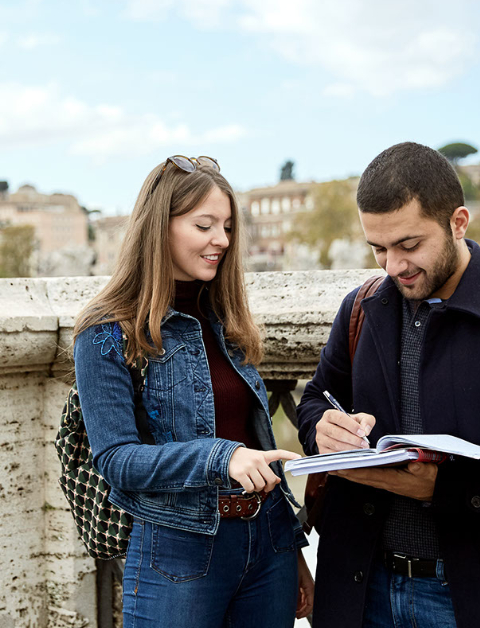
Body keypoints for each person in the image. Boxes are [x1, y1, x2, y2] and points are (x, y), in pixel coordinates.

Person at [297, 142, 480, 627]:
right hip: (359, 589)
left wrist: (443, 487)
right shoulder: (359, 308)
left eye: (409, 245)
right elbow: (314, 400)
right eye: (379, 249)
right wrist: (323, 429)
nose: (393, 266)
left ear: (458, 223)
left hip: (477, 597)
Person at [73, 155, 314, 627]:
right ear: (159, 228)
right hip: (178, 551)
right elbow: (116, 459)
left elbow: (256, 439)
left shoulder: (227, 317)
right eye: (204, 225)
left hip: (269, 543)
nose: (221, 240)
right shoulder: (106, 330)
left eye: (226, 226)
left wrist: (295, 551)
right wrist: (219, 458)